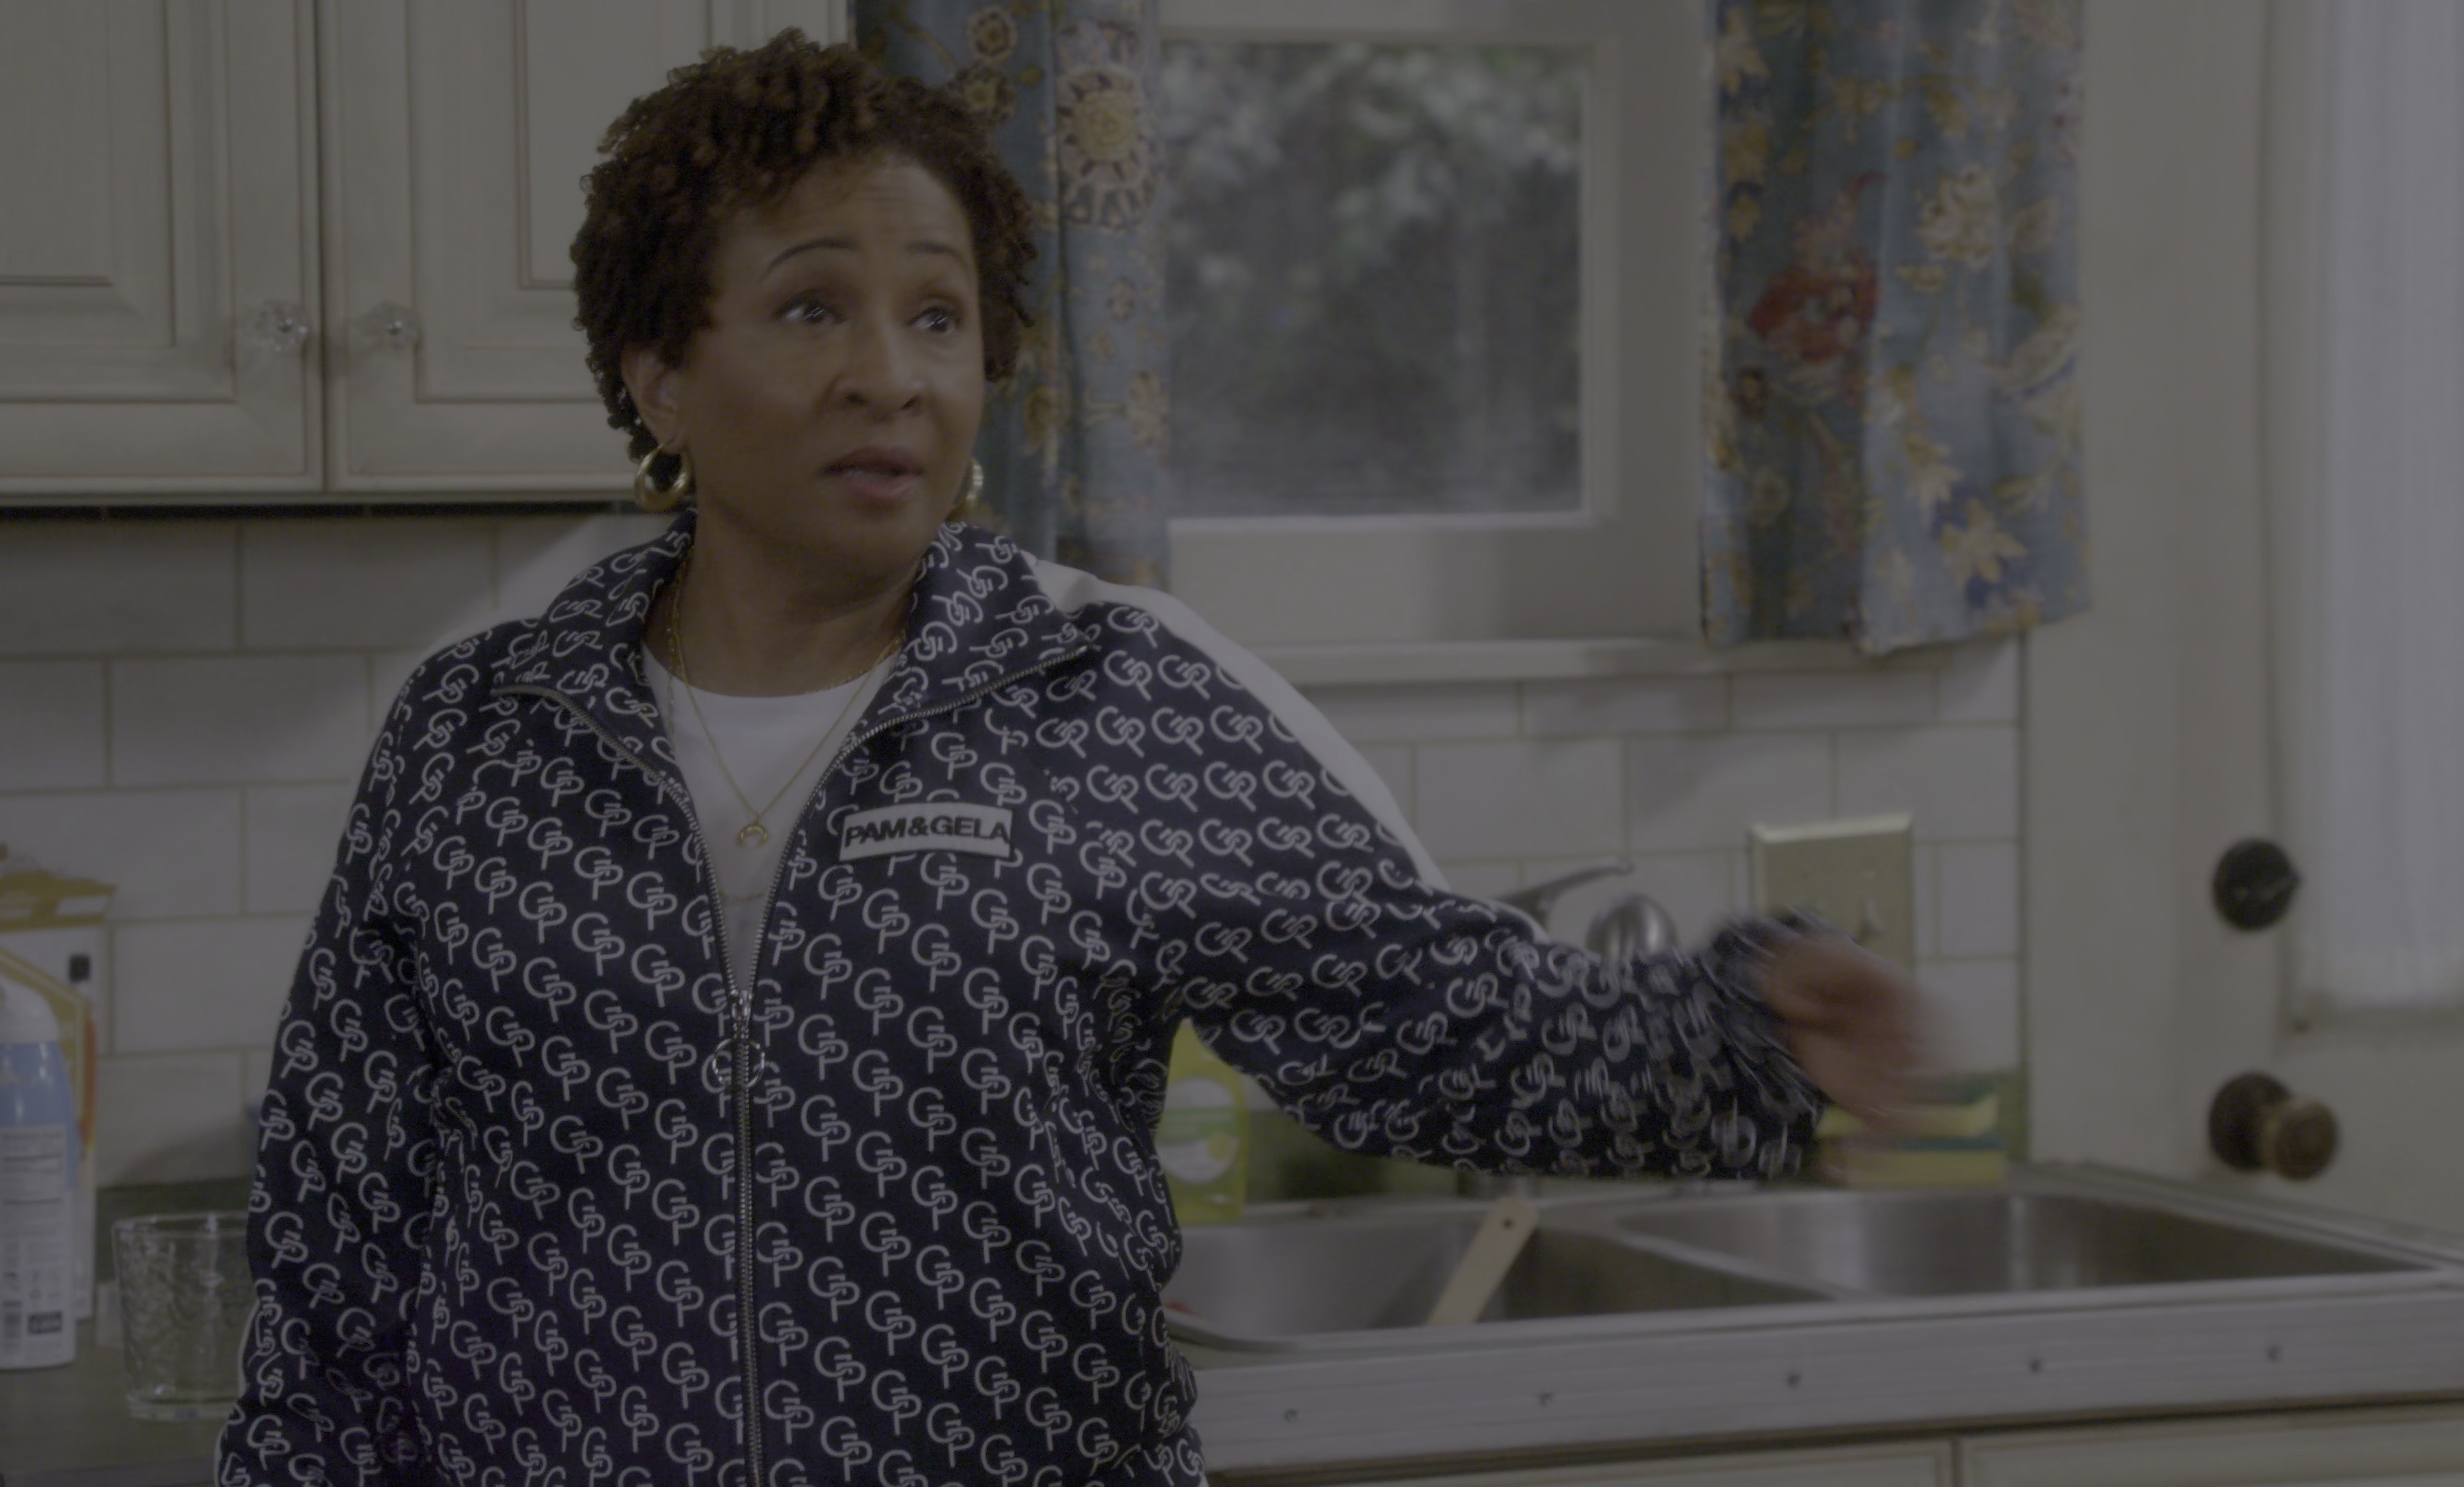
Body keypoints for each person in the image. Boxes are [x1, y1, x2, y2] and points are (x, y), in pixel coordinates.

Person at [216, 33, 1920, 1487]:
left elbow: (1431, 1026)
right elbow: (336, 1239)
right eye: (812, 308)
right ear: (659, 372)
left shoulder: (1116, 695)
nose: (890, 377)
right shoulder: (480, 734)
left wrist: (1744, 1032)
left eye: (937, 318)